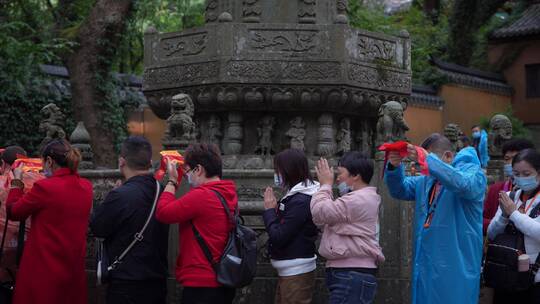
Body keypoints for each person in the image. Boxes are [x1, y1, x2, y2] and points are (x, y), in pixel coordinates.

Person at [384, 133, 486, 304]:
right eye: (424, 160)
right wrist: (394, 166)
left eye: (429, 158)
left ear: (448, 156)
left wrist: (429, 161)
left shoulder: (473, 173)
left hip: (456, 267)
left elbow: (464, 185)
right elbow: (399, 189)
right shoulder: (426, 181)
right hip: (427, 264)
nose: (425, 165)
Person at [5, 139, 92, 304]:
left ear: (50, 161)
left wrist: (17, 181)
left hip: (44, 267)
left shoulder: (45, 188)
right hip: (72, 267)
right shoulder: (86, 186)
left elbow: (14, 212)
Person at [90, 136, 169, 304]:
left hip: (127, 282)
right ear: (150, 162)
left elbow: (98, 227)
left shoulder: (120, 195)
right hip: (158, 280)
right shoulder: (162, 191)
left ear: (121, 161)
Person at [155, 143, 238, 304]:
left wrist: (172, 181)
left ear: (198, 170)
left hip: (202, 283)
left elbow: (163, 213)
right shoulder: (226, 193)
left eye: (187, 172)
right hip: (222, 278)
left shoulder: (202, 196)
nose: (186, 176)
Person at [311, 152, 384, 304]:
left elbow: (320, 213)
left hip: (351, 274)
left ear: (355, 175)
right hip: (351, 273)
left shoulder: (358, 200)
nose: (337, 178)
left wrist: (325, 185)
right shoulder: (360, 198)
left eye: (340, 173)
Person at [262, 149, 319, 304]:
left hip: (296, 270)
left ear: (289, 171)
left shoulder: (301, 200)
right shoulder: (294, 196)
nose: (276, 174)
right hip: (290, 269)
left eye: (277, 170)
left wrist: (269, 211)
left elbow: (279, 236)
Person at [487, 148, 540, 303]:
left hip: (533, 278)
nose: (521, 178)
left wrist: (514, 214)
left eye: (527, 174)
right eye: (516, 174)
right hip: (505, 272)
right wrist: (504, 215)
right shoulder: (511, 196)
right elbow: (492, 233)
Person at [0, 146, 41, 283]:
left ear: (4, 163)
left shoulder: (3, 182)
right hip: (32, 248)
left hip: (4, 250)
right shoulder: (42, 182)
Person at [483, 139, 535, 234]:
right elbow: (483, 220)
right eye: (507, 159)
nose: (511, 163)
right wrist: (501, 222)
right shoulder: (496, 189)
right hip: (502, 245)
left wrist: (514, 216)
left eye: (516, 158)